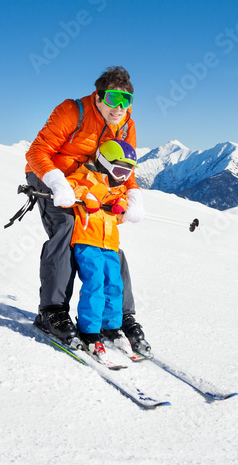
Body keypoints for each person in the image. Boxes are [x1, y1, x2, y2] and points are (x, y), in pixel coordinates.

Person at [25, 66, 149, 352]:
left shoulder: (126, 124)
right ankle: (52, 310)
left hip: (94, 182)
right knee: (69, 229)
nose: (119, 107)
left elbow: (126, 169)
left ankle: (119, 315)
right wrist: (58, 183)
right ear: (99, 95)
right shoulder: (72, 111)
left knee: (106, 238)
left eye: (126, 100)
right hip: (50, 175)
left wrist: (133, 197)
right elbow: (36, 152)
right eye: (114, 98)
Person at [67, 139, 137, 357]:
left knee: (114, 285)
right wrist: (87, 196)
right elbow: (69, 188)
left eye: (127, 173)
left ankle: (112, 326)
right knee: (95, 283)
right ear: (103, 163)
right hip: (88, 240)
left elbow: (121, 198)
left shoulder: (114, 186)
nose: (122, 177)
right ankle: (89, 331)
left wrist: (122, 204)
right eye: (118, 170)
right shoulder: (85, 177)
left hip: (110, 244)